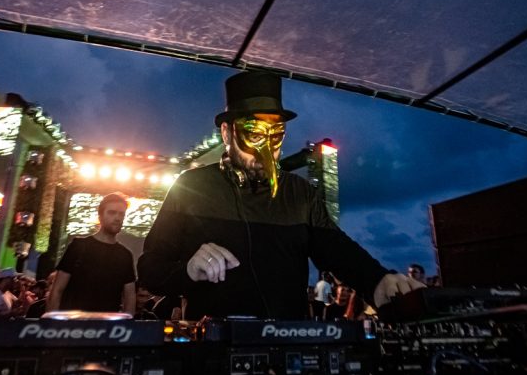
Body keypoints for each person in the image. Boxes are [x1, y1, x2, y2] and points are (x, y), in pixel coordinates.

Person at [136, 70, 421, 320]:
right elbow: (150, 269)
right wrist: (188, 270)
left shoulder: (300, 192)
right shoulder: (190, 187)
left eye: (276, 136)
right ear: (226, 133)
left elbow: (338, 250)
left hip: (289, 347)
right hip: (214, 353)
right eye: (255, 135)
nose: (266, 151)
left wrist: (378, 280)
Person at [46, 192, 137, 314]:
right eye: (112, 212)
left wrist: (126, 323)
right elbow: (57, 290)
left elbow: (130, 297)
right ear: (100, 216)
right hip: (73, 321)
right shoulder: (78, 246)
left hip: (106, 323)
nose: (117, 218)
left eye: (121, 214)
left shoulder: (125, 255)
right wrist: (52, 321)